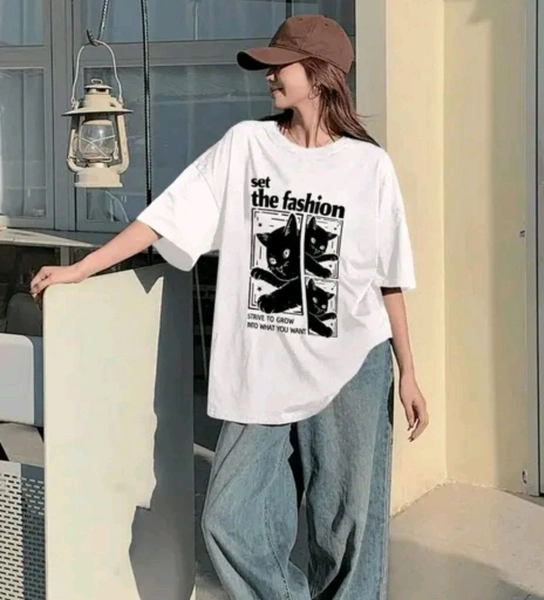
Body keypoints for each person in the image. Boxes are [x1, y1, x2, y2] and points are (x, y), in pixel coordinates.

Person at [31, 14, 429, 599]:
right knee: (229, 520)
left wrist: (408, 371)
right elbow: (164, 218)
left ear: (320, 75)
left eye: (280, 66)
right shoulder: (246, 146)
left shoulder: (369, 166)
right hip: (262, 365)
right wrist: (82, 268)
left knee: (346, 530)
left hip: (351, 366)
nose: (268, 76)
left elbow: (388, 278)